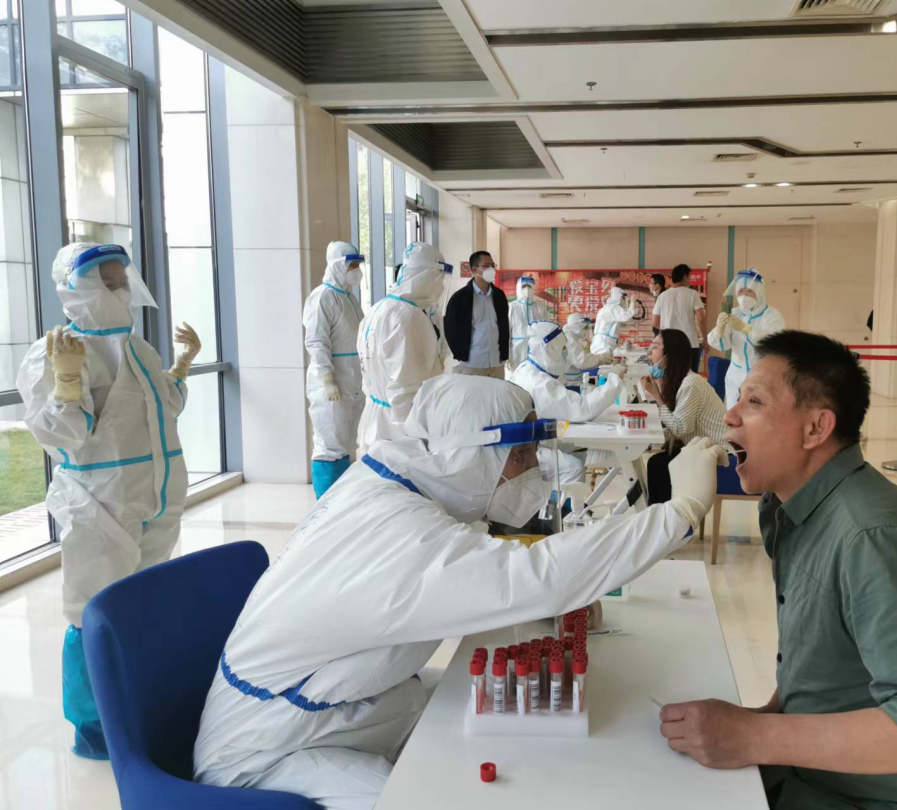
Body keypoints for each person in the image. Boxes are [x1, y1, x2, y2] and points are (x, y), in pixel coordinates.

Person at [193, 375, 724, 809]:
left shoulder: (390, 485)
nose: (532, 468)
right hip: (265, 753)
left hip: (335, 707)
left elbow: (498, 574)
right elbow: (532, 577)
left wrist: (550, 595)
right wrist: (679, 512)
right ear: (470, 453)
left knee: (486, 720)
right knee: (433, 796)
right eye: (520, 454)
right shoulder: (397, 531)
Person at [658, 331, 897, 810]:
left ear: (816, 429)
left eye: (754, 401)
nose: (730, 416)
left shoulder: (872, 538)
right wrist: (760, 720)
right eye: (738, 398)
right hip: (818, 776)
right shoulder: (794, 510)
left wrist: (755, 736)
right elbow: (825, 663)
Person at [16, 242, 200, 761]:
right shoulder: (54, 352)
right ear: (75, 289)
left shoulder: (139, 349)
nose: (119, 290)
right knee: (92, 614)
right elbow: (61, 436)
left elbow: (162, 409)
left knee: (142, 606)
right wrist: (66, 381)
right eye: (108, 282)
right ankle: (97, 731)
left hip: (155, 499)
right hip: (100, 505)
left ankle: (141, 705)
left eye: (122, 280)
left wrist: (182, 366)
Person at [357, 242, 448, 454]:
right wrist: (414, 433)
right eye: (438, 278)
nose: (441, 286)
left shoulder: (378, 309)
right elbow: (405, 386)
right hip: (399, 425)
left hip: (375, 416)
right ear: (424, 276)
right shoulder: (408, 317)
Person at [303, 241, 366, 498]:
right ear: (337, 266)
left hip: (351, 382)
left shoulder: (349, 298)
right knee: (330, 446)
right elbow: (316, 342)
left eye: (358, 265)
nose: (356, 270)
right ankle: (325, 505)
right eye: (351, 265)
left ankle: (340, 501)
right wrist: (327, 379)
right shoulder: (322, 297)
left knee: (347, 444)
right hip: (332, 386)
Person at [641, 329, 729, 504]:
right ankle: (661, 516)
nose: (650, 352)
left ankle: (669, 518)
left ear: (670, 355)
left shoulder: (690, 383)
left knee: (660, 466)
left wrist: (657, 396)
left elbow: (680, 428)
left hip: (719, 452)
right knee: (657, 462)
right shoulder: (677, 382)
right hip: (700, 447)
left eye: (656, 347)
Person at [510, 320, 626, 422]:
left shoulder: (525, 368)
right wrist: (614, 381)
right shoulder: (541, 386)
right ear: (549, 350)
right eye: (562, 348)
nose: (565, 353)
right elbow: (583, 409)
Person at [706, 268, 786, 409]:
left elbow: (772, 344)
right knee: (734, 411)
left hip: (762, 375)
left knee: (758, 413)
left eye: (749, 291)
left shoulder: (772, 315)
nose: (744, 296)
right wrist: (719, 330)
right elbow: (723, 346)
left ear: (759, 292)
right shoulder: (734, 313)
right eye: (740, 291)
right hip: (735, 375)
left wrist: (745, 328)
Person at [444, 250, 510, 378]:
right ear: (474, 270)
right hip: (472, 364)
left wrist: (504, 354)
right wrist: (461, 353)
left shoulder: (499, 296)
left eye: (492, 265)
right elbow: (450, 329)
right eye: (486, 265)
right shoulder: (459, 298)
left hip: (497, 363)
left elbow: (504, 327)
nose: (491, 269)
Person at [652, 264, 706, 371]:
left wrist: (667, 327)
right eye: (689, 276)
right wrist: (705, 339)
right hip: (690, 343)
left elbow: (655, 322)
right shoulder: (692, 294)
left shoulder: (662, 296)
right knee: (691, 377)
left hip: (669, 343)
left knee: (671, 376)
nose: (690, 279)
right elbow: (701, 318)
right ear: (685, 277)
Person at [507, 274, 551, 371]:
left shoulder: (540, 308)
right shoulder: (511, 307)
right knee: (516, 376)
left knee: (534, 375)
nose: (527, 289)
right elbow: (505, 332)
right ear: (518, 288)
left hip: (536, 351)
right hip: (516, 351)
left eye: (529, 286)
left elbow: (546, 330)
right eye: (524, 286)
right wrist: (506, 355)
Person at [561, 313, 612, 391]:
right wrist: (603, 357)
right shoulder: (569, 338)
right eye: (584, 328)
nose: (586, 331)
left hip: (573, 379)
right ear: (576, 325)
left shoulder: (570, 336)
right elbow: (582, 362)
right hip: (570, 384)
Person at [591, 286, 636, 355]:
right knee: (605, 360)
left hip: (599, 342)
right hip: (604, 344)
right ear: (620, 298)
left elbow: (609, 322)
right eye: (623, 299)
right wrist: (633, 302)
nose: (624, 301)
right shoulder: (613, 307)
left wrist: (619, 324)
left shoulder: (605, 308)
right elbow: (627, 316)